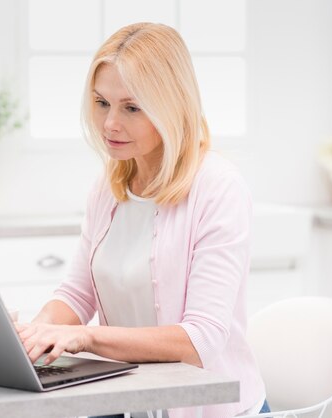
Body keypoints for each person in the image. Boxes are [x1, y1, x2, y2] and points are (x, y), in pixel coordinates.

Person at [15, 22, 268, 417]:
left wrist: (86, 337)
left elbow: (200, 341)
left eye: (131, 107)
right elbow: (78, 294)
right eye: (102, 103)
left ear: (171, 106)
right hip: (136, 404)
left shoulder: (218, 188)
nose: (110, 123)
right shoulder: (110, 185)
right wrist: (34, 334)